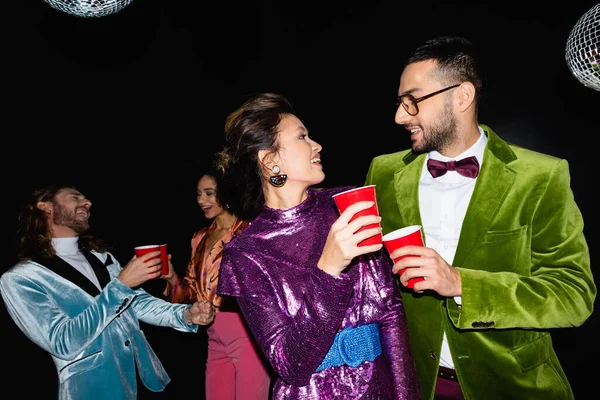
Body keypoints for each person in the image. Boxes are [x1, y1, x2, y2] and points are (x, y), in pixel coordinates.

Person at [364, 35, 596, 400]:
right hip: (410, 386)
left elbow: (573, 296)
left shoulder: (541, 176)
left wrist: (461, 284)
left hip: (511, 387)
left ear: (462, 96)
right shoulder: (383, 171)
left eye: (412, 101)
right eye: (399, 102)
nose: (398, 116)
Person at [215, 92, 421, 399]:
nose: (317, 145)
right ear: (271, 160)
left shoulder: (347, 204)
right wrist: (328, 270)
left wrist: (406, 395)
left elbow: (390, 311)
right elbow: (292, 365)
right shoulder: (246, 253)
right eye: (302, 137)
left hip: (378, 387)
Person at [0, 183, 212, 399]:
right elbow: (62, 341)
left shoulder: (101, 257)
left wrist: (186, 314)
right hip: (93, 390)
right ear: (45, 207)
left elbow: (137, 304)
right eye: (75, 197)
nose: (87, 202)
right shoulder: (22, 278)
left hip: (145, 382)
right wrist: (120, 285)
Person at [162, 164, 271, 400]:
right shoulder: (199, 237)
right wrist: (171, 277)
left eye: (209, 193)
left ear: (226, 192)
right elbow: (191, 291)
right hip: (213, 334)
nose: (202, 200)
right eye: (199, 194)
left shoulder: (249, 231)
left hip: (247, 333)